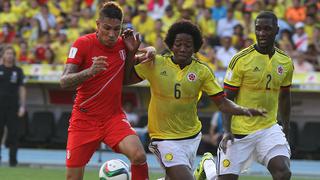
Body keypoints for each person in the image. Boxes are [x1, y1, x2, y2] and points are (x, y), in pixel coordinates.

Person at [126, 20, 266, 180]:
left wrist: (244, 110)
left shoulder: (202, 71)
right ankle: (209, 170)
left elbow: (222, 102)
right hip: (162, 138)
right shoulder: (155, 63)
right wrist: (132, 53)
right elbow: (126, 79)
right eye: (178, 44)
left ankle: (204, 168)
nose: (183, 49)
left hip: (191, 137)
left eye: (188, 45)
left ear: (195, 48)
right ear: (171, 45)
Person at [60, 2, 154, 180]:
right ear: (97, 24)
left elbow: (127, 76)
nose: (111, 34)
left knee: (139, 155)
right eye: (107, 28)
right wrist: (90, 71)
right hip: (84, 120)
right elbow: (64, 81)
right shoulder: (82, 44)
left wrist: (139, 52)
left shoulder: (123, 45)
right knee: (72, 177)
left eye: (116, 29)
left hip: (113, 118)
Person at [197, 11, 293, 180]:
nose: (262, 33)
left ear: (277, 30)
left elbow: (285, 96)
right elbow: (226, 99)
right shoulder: (240, 60)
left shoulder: (285, 62)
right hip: (239, 132)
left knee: (283, 172)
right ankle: (208, 165)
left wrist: (285, 124)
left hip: (268, 129)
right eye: (258, 29)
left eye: (267, 29)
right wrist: (226, 131)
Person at [0, 46, 26, 167]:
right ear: (3, 56)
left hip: (13, 107)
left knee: (13, 134)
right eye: (7, 53)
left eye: (11, 54)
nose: (9, 56)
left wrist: (22, 105)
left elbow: (22, 88)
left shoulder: (18, 71)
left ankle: (13, 161)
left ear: (14, 56)